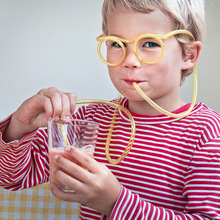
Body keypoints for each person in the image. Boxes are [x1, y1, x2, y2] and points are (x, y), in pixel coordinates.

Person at [1, 0, 220, 219]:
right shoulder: (89, 119)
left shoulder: (207, 132)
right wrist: (19, 126)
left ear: (189, 55)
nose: (130, 60)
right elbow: (11, 178)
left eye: (150, 44)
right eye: (117, 44)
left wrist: (114, 202)